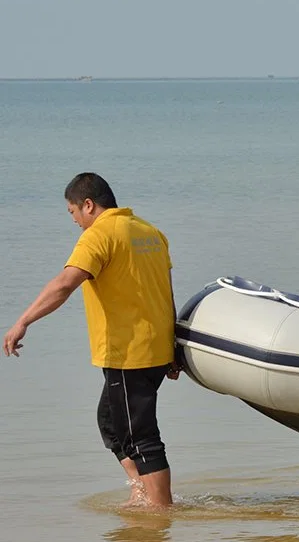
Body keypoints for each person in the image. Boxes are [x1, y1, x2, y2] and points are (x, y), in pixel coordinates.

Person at [2, 172, 179, 508]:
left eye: (72, 213)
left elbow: (64, 284)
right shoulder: (150, 232)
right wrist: (174, 346)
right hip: (155, 347)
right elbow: (165, 290)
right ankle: (141, 488)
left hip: (129, 352)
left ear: (88, 205)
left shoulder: (99, 235)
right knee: (110, 422)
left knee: (140, 435)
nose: (74, 222)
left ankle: (160, 513)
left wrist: (23, 321)